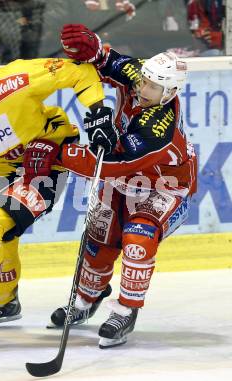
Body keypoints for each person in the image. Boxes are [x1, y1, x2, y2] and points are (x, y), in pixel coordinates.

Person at [23, 24, 198, 348]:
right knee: (100, 237)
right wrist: (93, 49)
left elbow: (110, 164)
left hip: (164, 186)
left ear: (170, 93)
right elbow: (106, 62)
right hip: (123, 178)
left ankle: (126, 310)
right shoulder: (139, 79)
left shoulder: (158, 131)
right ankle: (87, 299)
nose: (142, 89)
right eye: (144, 81)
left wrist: (61, 153)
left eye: (153, 87)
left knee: (138, 237)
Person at [0, 32, 105, 350]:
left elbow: (80, 72)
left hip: (44, 167)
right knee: (0, 232)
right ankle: (4, 300)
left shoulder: (16, 80)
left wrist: (97, 113)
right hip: (3, 171)